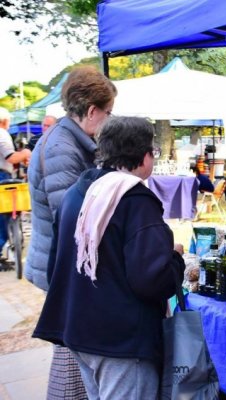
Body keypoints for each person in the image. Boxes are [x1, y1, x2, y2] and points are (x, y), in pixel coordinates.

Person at [33, 116, 185, 399]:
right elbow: (152, 280)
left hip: (79, 328)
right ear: (144, 155)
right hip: (119, 340)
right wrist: (174, 258)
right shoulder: (135, 201)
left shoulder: (78, 192)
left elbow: (55, 264)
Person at [26, 65, 117, 399]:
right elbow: (73, 217)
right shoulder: (62, 147)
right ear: (92, 111)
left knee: (73, 349)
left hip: (61, 262)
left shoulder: (70, 140)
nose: (110, 118)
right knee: (70, 353)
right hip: (61, 266)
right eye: (108, 112)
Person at [0, 107, 32, 270]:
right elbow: (11, 157)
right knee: (3, 218)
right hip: (2, 177)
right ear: (5, 121)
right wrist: (26, 152)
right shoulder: (2, 134)